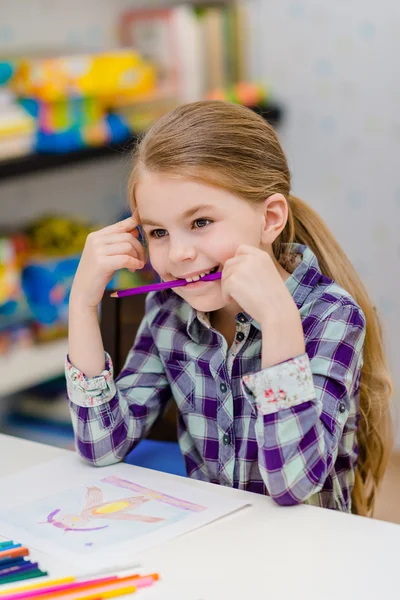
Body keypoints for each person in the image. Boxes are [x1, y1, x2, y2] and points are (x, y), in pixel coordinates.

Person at [66, 101, 392, 516]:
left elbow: (293, 484)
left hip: (309, 557)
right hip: (213, 546)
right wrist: (82, 304)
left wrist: (278, 322)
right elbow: (100, 445)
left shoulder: (330, 316)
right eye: (159, 232)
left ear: (270, 218)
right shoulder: (168, 312)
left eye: (201, 222)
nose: (179, 253)